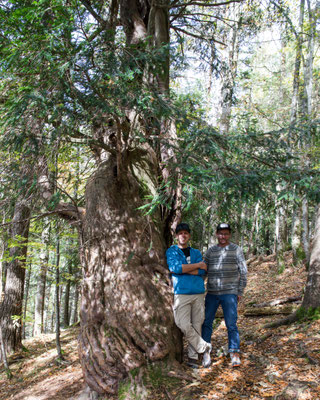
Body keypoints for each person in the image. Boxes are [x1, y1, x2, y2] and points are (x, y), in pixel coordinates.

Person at [166, 223, 212, 368]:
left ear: (189, 235)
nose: (183, 235)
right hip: (182, 293)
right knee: (183, 323)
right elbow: (175, 268)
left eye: (186, 233)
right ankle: (204, 348)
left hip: (198, 292)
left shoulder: (196, 252)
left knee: (197, 324)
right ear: (176, 236)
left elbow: (203, 271)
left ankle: (193, 358)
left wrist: (186, 269)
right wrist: (197, 266)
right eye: (180, 233)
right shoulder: (172, 251)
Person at [202, 223, 247, 368]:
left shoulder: (236, 250)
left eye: (226, 233)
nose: (223, 236)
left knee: (231, 324)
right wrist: (198, 288)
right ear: (216, 234)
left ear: (230, 235)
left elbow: (243, 271)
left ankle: (234, 352)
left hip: (230, 293)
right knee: (207, 322)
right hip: (212, 293)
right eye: (220, 233)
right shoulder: (211, 251)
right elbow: (204, 270)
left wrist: (239, 291)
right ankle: (206, 352)